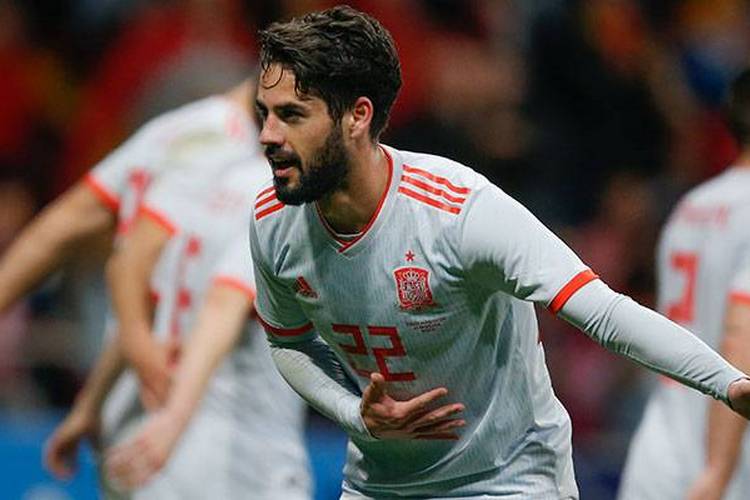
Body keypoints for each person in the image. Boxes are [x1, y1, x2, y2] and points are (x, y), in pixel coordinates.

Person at [248, 6, 750, 499]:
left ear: (358, 116)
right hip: (377, 485)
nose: (268, 136)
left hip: (507, 481)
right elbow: (289, 343)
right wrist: (354, 413)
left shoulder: (457, 212)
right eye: (264, 114)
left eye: (292, 115)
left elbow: (603, 313)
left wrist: (728, 384)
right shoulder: (271, 221)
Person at [101, 123, 311, 498]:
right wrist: (173, 421)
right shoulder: (277, 196)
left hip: (151, 435)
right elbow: (224, 302)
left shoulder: (195, 184)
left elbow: (128, 272)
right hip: (238, 455)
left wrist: (91, 404)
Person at [617, 69, 750, 500]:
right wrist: (717, 472)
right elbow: (741, 336)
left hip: (659, 452)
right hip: (726, 464)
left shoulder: (690, 207)